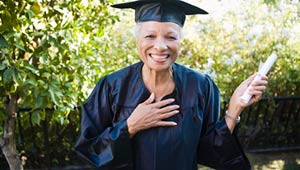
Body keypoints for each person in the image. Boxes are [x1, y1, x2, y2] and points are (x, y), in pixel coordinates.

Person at [75, 0, 268, 169]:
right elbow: (90, 150)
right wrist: (130, 126)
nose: (160, 46)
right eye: (150, 36)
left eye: (171, 37)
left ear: (180, 41)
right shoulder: (112, 87)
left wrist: (235, 107)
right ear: (137, 41)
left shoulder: (200, 86)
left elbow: (210, 151)